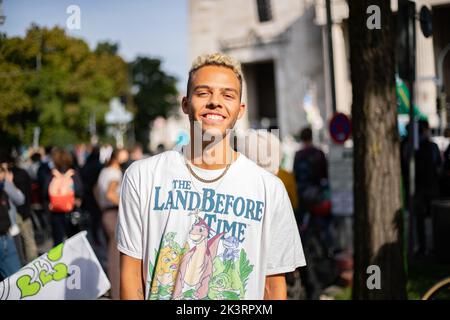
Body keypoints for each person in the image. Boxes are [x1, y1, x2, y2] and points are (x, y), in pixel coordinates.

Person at [117, 53, 305, 300]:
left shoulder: (269, 188)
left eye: (228, 95)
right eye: (203, 93)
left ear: (240, 110)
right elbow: (131, 276)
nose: (215, 102)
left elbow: (273, 287)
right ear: (185, 104)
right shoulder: (142, 176)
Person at [96, 149, 124, 300]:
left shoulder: (104, 171)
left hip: (106, 213)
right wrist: (127, 206)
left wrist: (101, 206)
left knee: (112, 253)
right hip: (114, 213)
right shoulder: (115, 172)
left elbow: (96, 190)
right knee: (116, 256)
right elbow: (110, 193)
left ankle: (115, 289)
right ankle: (117, 292)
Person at [43, 148, 83, 246]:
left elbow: (44, 192)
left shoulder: (52, 175)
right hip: (71, 211)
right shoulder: (73, 174)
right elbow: (80, 190)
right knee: (74, 240)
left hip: (56, 212)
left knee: (58, 242)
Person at [413, 119, 442, 256]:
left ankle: (424, 247)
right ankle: (430, 247)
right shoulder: (430, 146)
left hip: (422, 187)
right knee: (430, 219)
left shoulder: (414, 146)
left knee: (422, 219)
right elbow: (438, 166)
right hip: (428, 187)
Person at [0, 166, 22, 280]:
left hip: (6, 236)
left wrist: (9, 183)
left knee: (16, 281)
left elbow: (20, 199)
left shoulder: (4, 186)